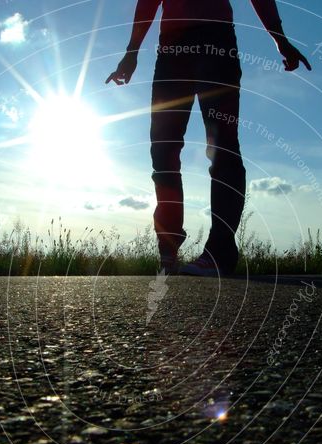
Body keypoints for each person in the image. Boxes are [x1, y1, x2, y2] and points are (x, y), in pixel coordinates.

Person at [106, 0, 311, 276]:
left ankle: (220, 253)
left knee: (222, 146)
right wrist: (131, 51)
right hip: (172, 48)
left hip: (216, 43)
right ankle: (168, 248)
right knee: (163, 148)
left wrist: (279, 39)